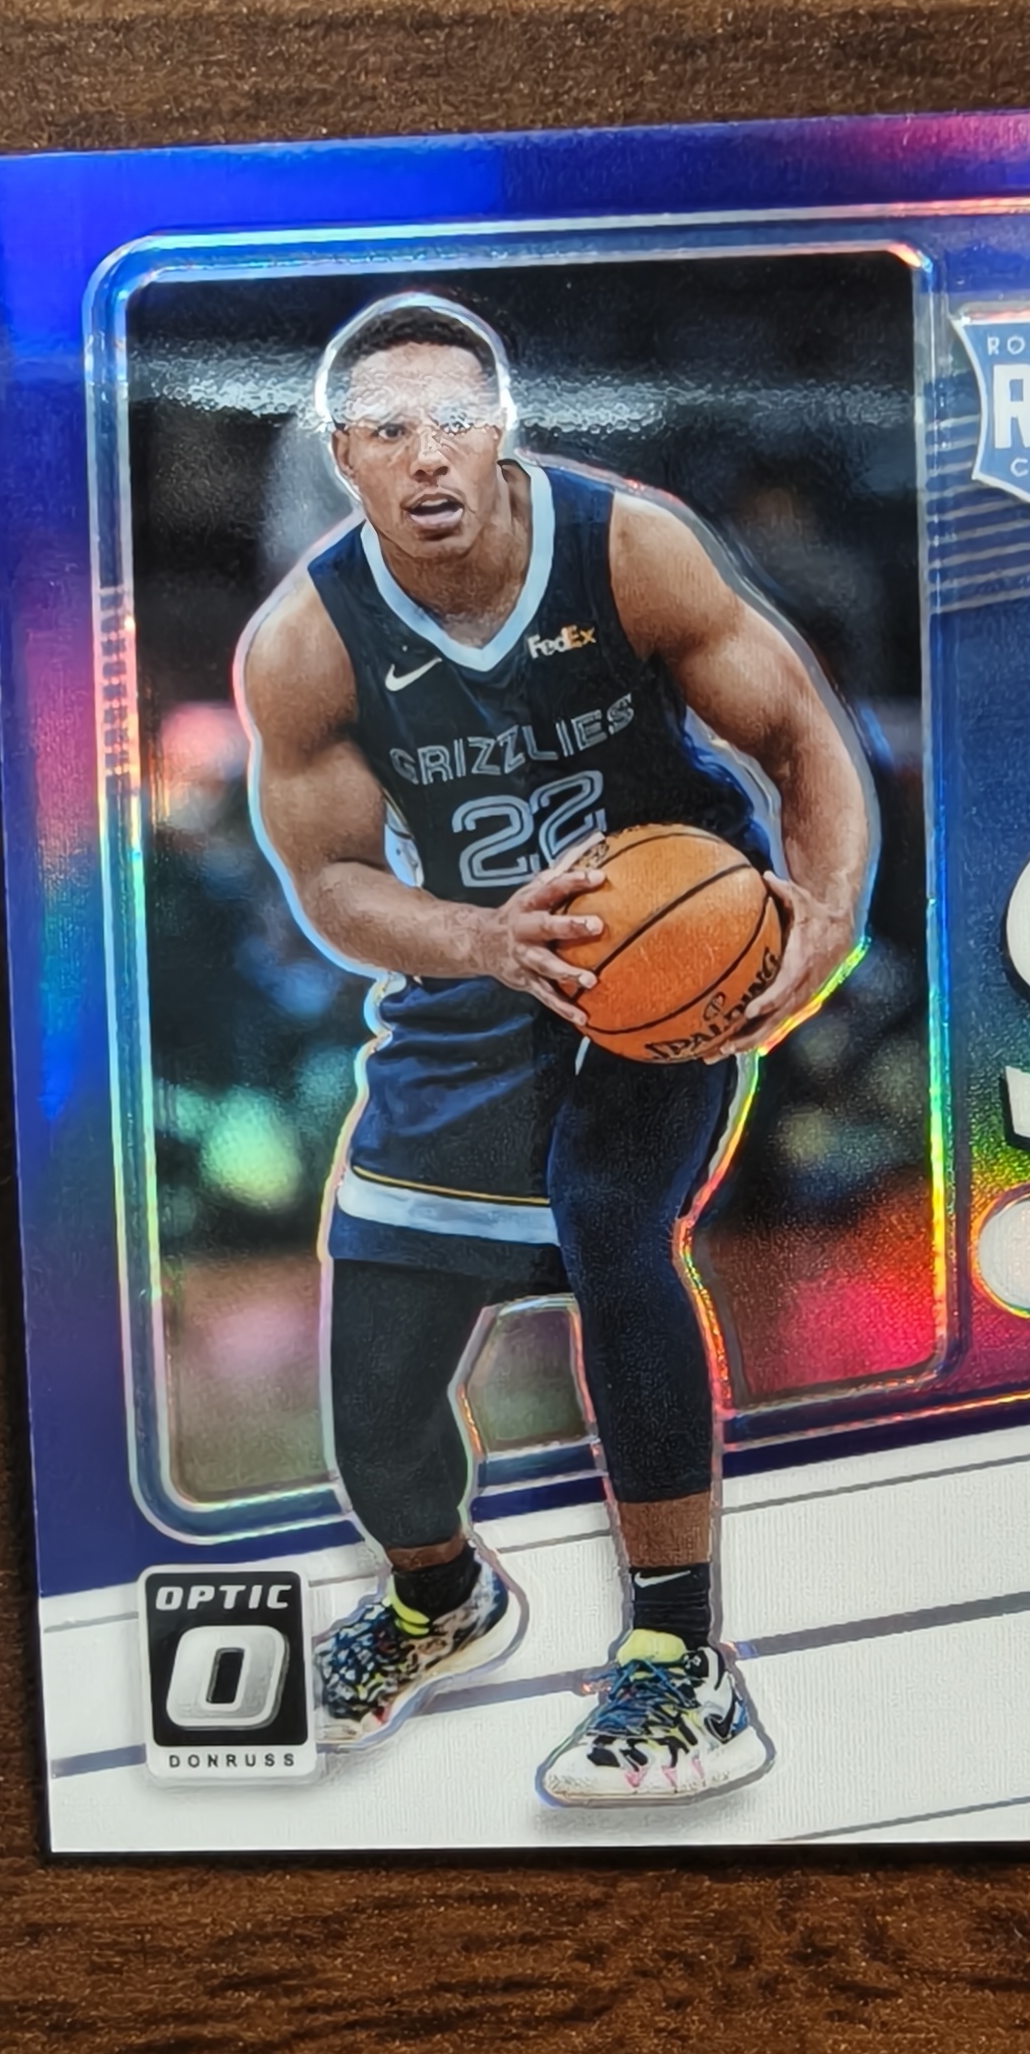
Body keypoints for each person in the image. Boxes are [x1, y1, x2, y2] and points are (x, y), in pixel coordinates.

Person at [232, 291, 874, 1806]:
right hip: (474, 967)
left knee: (609, 1222)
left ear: (502, 430)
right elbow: (333, 885)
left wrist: (827, 917)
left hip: (671, 951)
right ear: (342, 455)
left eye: (455, 420)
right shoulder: (304, 645)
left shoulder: (627, 546)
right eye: (388, 430)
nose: (427, 454)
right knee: (376, 1396)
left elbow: (799, 739)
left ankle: (679, 1659)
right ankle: (439, 1601)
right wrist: (480, 941)